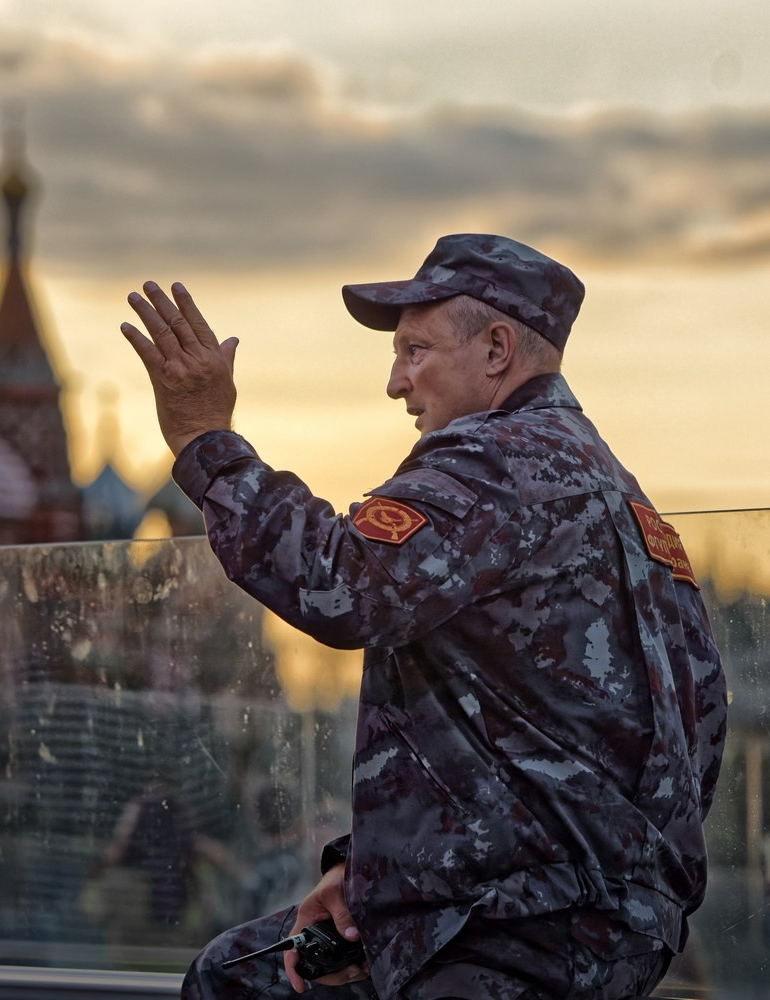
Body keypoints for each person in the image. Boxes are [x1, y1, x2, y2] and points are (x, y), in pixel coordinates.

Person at [119, 234, 728, 999]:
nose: (395, 381)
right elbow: (694, 735)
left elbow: (341, 583)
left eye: (415, 350)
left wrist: (204, 440)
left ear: (498, 349)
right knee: (233, 978)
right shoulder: (623, 496)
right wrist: (363, 870)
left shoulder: (500, 461)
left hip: (513, 927)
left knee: (228, 985)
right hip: (591, 917)